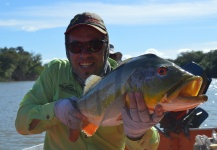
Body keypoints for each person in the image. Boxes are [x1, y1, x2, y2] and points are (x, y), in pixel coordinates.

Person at [15, 12, 164, 150]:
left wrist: (137, 133)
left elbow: (150, 146)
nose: (85, 54)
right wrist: (54, 110)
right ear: (67, 49)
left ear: (106, 47)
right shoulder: (55, 72)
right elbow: (22, 124)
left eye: (95, 45)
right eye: (76, 47)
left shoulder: (125, 77)